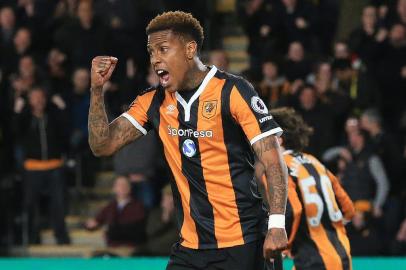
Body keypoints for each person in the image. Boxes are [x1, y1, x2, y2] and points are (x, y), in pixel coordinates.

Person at [88, 11, 288, 270]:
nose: (155, 59)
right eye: (150, 52)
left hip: (244, 242)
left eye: (163, 49)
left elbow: (273, 159)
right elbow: (102, 145)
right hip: (190, 249)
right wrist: (96, 90)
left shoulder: (233, 91)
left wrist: (276, 225)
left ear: (190, 49)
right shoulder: (153, 102)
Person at [257, 107, 355, 270]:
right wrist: (324, 226)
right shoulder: (315, 162)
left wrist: (282, 244)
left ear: (278, 139)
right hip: (343, 256)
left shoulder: (277, 169)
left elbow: (293, 210)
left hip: (312, 260)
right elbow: (349, 210)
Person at [14, 86, 70, 245]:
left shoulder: (53, 117)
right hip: (33, 168)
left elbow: (66, 130)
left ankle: (61, 237)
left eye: (41, 97)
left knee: (58, 204)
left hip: (54, 166)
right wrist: (17, 111)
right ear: (30, 101)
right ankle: (33, 238)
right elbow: (14, 131)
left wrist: (62, 107)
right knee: (31, 205)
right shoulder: (25, 119)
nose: (39, 100)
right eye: (35, 97)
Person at [85, 175, 146, 248]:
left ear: (130, 188)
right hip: (112, 246)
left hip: (130, 247)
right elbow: (96, 222)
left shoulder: (138, 207)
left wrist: (109, 232)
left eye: (125, 185)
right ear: (114, 188)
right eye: (119, 185)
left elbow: (133, 230)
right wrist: (90, 225)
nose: (122, 187)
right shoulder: (110, 207)